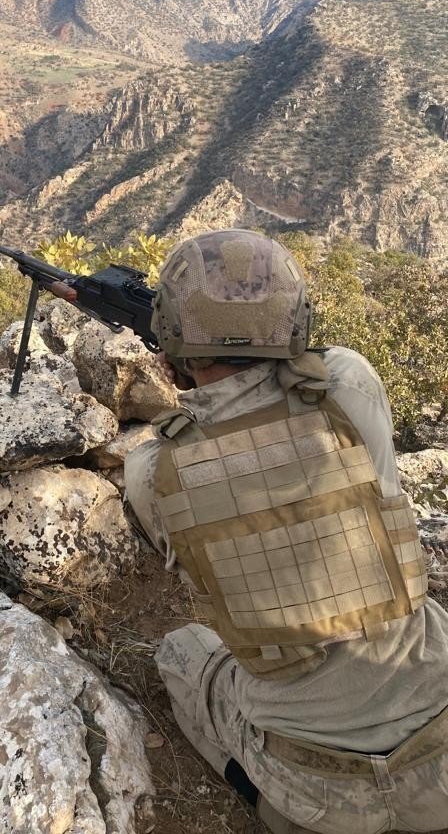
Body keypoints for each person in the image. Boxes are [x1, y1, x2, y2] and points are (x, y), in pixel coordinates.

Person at [124, 229, 448, 834]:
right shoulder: (348, 384)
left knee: (182, 650)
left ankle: (264, 800)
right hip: (442, 752)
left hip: (318, 788)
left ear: (167, 337)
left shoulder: (152, 470)